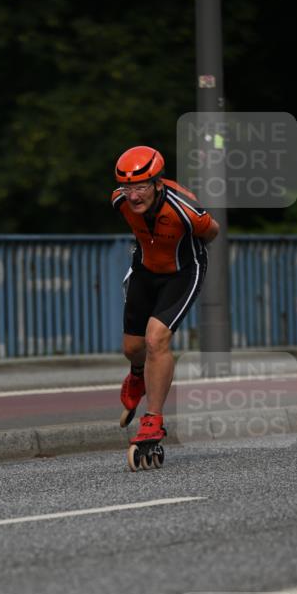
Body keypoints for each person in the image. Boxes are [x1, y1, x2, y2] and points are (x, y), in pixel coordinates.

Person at [112, 145, 219, 444]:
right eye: (127, 187)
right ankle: (137, 375)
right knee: (133, 348)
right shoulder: (119, 201)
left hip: (182, 271)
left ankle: (153, 419)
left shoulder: (186, 210)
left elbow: (212, 232)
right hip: (145, 270)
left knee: (155, 339)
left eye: (141, 187)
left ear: (158, 183)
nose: (133, 196)